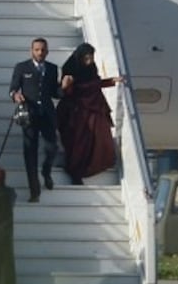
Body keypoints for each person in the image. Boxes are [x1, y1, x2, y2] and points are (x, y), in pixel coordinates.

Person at [57, 43, 125, 184]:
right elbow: (70, 90)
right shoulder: (70, 68)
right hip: (77, 111)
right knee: (78, 142)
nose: (89, 61)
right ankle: (75, 171)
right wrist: (67, 85)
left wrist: (111, 81)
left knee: (99, 138)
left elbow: (95, 83)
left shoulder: (91, 68)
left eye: (91, 58)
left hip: (94, 107)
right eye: (86, 58)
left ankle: (91, 166)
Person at [9, 37, 59, 201]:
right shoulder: (22, 67)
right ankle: (34, 189)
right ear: (32, 51)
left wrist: (64, 88)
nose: (40, 53)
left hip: (47, 114)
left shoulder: (52, 68)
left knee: (52, 147)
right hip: (29, 115)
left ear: (47, 51)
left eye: (43, 50)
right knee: (30, 152)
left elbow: (54, 92)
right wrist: (16, 95)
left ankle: (46, 171)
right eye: (37, 50)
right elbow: (13, 88)